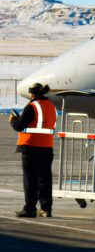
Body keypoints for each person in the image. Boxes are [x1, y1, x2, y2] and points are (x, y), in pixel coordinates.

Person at [8, 83, 56, 218]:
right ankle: (46, 209)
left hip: (31, 147)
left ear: (32, 94)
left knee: (30, 180)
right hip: (47, 147)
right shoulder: (51, 107)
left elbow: (19, 126)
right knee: (45, 179)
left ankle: (30, 209)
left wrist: (13, 120)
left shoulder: (32, 106)